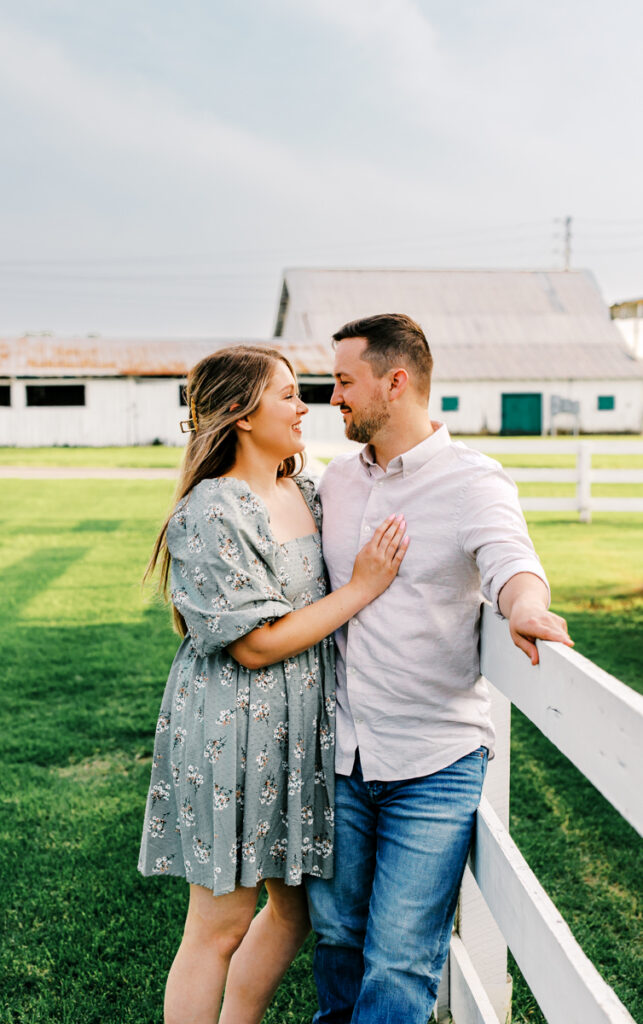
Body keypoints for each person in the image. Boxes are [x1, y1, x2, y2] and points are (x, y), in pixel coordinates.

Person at [305, 314, 574, 1024]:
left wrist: (524, 606)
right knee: (336, 942)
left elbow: (511, 560)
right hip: (341, 754)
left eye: (343, 381)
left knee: (398, 962)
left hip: (433, 759)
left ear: (396, 383)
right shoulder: (334, 480)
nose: (331, 397)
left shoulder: (470, 480)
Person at [138, 345, 409, 1024]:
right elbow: (256, 646)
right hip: (230, 731)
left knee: (294, 913)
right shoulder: (211, 512)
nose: (303, 406)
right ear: (240, 412)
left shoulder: (307, 493)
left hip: (299, 730)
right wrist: (362, 589)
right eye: (286, 394)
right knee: (220, 924)